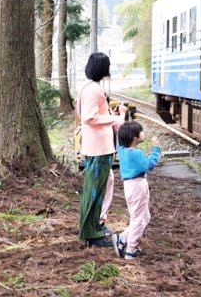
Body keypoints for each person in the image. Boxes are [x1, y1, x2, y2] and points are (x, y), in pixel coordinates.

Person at [77, 52, 123, 248]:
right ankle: (92, 232)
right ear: (104, 69)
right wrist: (115, 119)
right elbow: (88, 117)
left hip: (95, 145)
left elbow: (83, 114)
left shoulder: (87, 87)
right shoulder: (94, 90)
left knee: (105, 183)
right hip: (98, 147)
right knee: (96, 188)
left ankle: (97, 223)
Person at [113, 121, 161, 260]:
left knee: (144, 217)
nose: (143, 133)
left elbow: (118, 140)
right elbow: (149, 165)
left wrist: (119, 124)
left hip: (130, 186)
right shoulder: (136, 153)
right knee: (138, 219)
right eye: (141, 131)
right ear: (134, 137)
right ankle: (130, 250)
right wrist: (156, 149)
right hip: (137, 186)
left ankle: (122, 238)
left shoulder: (121, 150)